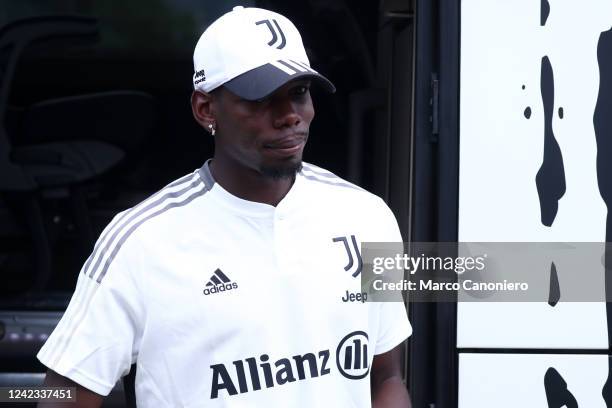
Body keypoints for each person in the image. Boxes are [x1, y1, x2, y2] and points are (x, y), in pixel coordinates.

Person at [37, 6, 412, 407]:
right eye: (263, 98)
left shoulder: (368, 217)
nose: (289, 116)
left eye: (299, 92)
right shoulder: (141, 241)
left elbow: (385, 377)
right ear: (205, 109)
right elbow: (63, 395)